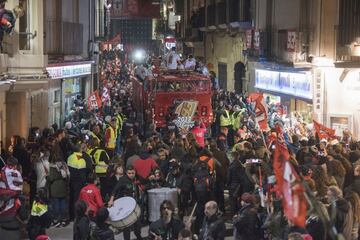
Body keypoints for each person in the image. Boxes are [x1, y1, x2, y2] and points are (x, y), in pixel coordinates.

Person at [108, 166, 143, 240]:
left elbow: (145, 180)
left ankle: (139, 236)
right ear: (126, 173)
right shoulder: (123, 180)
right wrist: (111, 200)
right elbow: (115, 190)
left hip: (135, 204)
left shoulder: (137, 178)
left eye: (132, 173)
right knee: (126, 226)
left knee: (137, 224)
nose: (131, 175)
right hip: (126, 205)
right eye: (129, 173)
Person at [48, 153, 70, 227]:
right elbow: (68, 178)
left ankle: (56, 220)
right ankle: (63, 219)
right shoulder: (65, 167)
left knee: (56, 205)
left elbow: (50, 178)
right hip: (63, 189)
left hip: (55, 189)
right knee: (63, 205)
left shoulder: (52, 168)